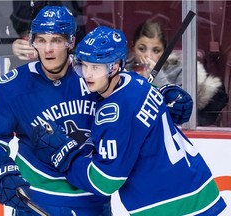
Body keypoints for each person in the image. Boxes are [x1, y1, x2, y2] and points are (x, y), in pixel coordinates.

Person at [0, 5, 193, 216]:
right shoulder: (11, 87)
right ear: (32, 42)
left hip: (92, 201)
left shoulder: (94, 76)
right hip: (36, 201)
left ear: (71, 42)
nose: (48, 49)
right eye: (41, 40)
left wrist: (165, 98)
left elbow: (134, 93)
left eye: (57, 40)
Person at [34, 26, 227, 215]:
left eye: (96, 67)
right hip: (196, 184)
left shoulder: (113, 115)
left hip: (168, 204)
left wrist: (67, 157)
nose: (88, 74)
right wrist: (165, 92)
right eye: (84, 65)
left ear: (115, 66)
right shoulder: (135, 81)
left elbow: (105, 181)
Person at [126, 20, 229, 126]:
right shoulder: (122, 72)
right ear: (133, 47)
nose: (148, 56)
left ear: (165, 51)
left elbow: (182, 111)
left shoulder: (180, 71)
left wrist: (157, 77)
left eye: (156, 50)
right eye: (142, 49)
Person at [0, 0, 86, 70]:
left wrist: (68, 45)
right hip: (24, 72)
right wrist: (10, 46)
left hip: (71, 71)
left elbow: (94, 25)